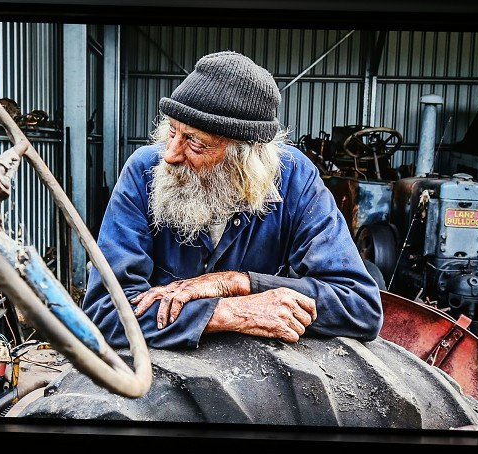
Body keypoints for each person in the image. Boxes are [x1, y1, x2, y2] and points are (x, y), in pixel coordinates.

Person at [82, 50, 383, 350]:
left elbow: (359, 307)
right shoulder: (144, 171)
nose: (170, 155)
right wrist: (228, 312)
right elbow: (105, 313)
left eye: (195, 142)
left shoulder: (294, 178)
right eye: (172, 131)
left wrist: (236, 283)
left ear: (245, 159)